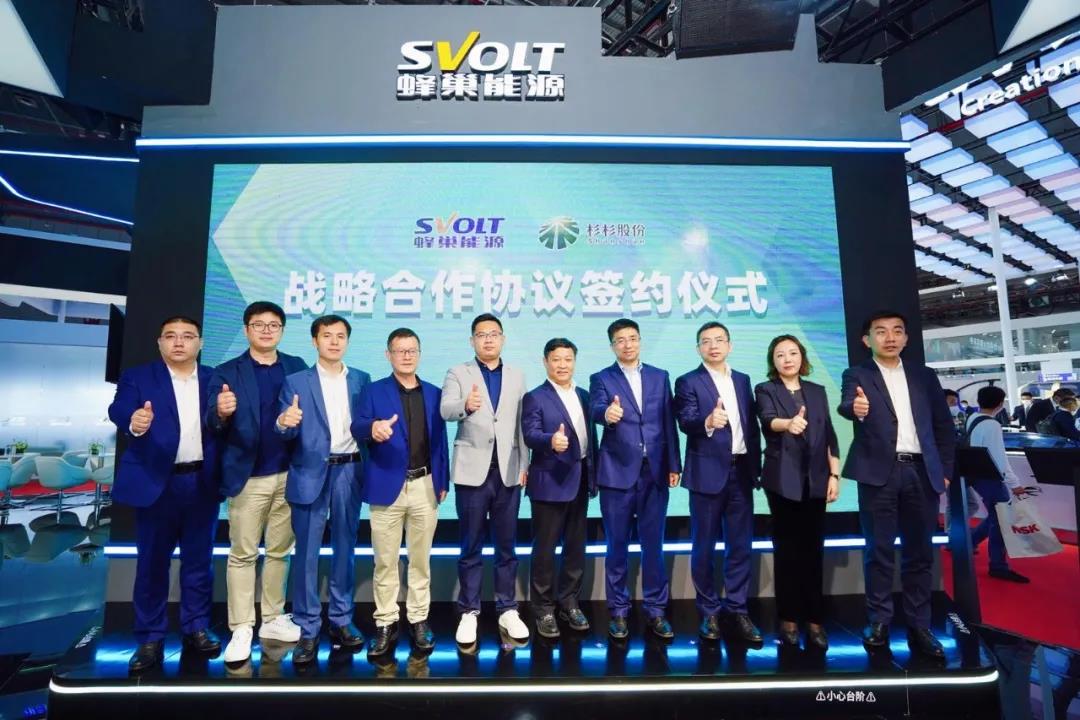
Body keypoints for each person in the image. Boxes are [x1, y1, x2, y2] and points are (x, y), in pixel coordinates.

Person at [837, 310, 955, 660]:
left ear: (905, 338)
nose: (890, 337)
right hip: (879, 475)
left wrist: (945, 471)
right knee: (879, 551)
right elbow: (847, 404)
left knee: (920, 554)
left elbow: (944, 427)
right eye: (881, 331)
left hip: (922, 473)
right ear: (867, 339)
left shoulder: (924, 376)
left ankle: (920, 625)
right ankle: (879, 621)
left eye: (897, 331)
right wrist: (856, 408)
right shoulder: (857, 374)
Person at [107, 316, 222, 672]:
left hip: (201, 482)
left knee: (199, 562)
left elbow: (222, 425)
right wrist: (133, 421)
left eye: (187, 336)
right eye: (170, 336)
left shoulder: (214, 379)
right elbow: (118, 408)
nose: (179, 342)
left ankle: (196, 627)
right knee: (152, 564)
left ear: (200, 343)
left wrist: (224, 414)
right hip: (157, 484)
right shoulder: (139, 377)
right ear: (159, 343)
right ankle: (150, 637)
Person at [207, 301, 307, 663]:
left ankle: (273, 618)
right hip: (247, 478)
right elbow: (212, 423)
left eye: (273, 325)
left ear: (281, 330)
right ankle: (241, 627)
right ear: (247, 329)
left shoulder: (296, 366)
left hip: (288, 474)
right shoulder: (226, 372)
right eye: (259, 324)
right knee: (243, 554)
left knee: (280, 552)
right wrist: (221, 412)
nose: (266, 330)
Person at [275, 314, 370, 665]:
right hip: (309, 472)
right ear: (315, 341)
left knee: (345, 548)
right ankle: (308, 626)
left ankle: (341, 619)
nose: (334, 341)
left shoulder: (361, 379)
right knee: (307, 554)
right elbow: (284, 428)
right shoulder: (295, 381)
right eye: (327, 335)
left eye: (340, 336)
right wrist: (284, 422)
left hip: (349, 470)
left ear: (347, 341)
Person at [353, 328, 449, 657]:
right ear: (388, 355)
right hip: (386, 486)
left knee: (420, 561)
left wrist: (442, 480)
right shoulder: (373, 391)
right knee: (385, 561)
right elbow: (357, 425)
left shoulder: (434, 393)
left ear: (419, 354)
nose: (406, 356)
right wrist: (372, 428)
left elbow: (441, 443)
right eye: (399, 351)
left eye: (412, 351)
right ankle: (385, 622)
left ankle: (419, 619)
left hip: (425, 485)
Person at [439, 314, 529, 646]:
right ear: (472, 340)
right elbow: (445, 410)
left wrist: (525, 464)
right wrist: (465, 404)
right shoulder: (458, 372)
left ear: (502, 338)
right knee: (471, 545)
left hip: (508, 470)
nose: (488, 339)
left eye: (493, 334)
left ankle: (507, 608)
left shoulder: (517, 374)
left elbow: (522, 423)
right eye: (481, 334)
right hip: (471, 471)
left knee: (507, 546)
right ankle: (469, 610)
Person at [589, 319, 681, 640]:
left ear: (640, 341)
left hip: (654, 471)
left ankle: (656, 610)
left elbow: (668, 421)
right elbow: (596, 408)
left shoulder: (660, 376)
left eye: (632, 338)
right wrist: (606, 415)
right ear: (612, 345)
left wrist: (674, 463)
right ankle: (618, 610)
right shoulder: (601, 378)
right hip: (617, 473)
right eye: (620, 340)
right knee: (617, 545)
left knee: (653, 545)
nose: (627, 345)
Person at [674, 322, 763, 645]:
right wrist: (708, 421)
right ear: (698, 348)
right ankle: (709, 610)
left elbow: (751, 427)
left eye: (719, 340)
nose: (713, 346)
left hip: (741, 472)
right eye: (706, 341)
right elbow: (685, 420)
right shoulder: (688, 381)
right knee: (704, 545)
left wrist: (757, 467)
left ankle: (738, 608)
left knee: (740, 545)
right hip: (706, 474)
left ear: (730, 345)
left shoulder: (742, 380)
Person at [754, 334, 841, 650]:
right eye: (780, 354)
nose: (787, 359)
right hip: (782, 480)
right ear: (773, 361)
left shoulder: (816, 391)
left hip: (817, 479)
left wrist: (834, 474)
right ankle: (788, 620)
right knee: (787, 552)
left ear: (802, 357)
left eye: (792, 353)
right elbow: (767, 421)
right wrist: (787, 423)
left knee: (813, 551)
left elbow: (829, 433)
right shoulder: (766, 389)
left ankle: (815, 620)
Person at [521, 338, 598, 638]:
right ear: (546, 362)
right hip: (550, 482)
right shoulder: (535, 397)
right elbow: (530, 434)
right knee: (545, 549)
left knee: (575, 548)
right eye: (556, 359)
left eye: (568, 359)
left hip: (581, 480)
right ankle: (543, 609)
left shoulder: (585, 395)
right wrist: (550, 440)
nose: (562, 365)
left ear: (574, 362)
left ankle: (569, 602)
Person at [966, 386, 1030, 583]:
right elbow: (999, 458)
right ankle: (998, 566)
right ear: (1001, 404)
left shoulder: (973, 418)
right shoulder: (992, 425)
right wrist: (1014, 484)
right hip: (991, 478)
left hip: (977, 476)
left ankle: (968, 543)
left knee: (997, 517)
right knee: (1002, 520)